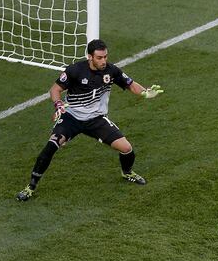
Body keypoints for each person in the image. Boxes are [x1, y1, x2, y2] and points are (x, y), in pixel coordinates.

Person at [16, 39, 163, 201]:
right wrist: (58, 104)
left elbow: (130, 84)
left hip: (96, 120)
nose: (103, 61)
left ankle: (127, 172)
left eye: (105, 57)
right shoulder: (75, 71)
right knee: (50, 147)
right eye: (99, 58)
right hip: (72, 117)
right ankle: (31, 187)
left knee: (126, 148)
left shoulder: (111, 71)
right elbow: (55, 89)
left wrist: (145, 93)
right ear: (90, 57)